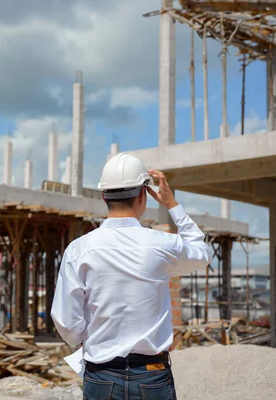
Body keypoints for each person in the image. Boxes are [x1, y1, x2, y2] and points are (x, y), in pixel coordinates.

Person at [51, 153, 213, 400]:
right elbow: (203, 252)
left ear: (104, 195)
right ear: (143, 195)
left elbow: (66, 320)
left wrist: (85, 338)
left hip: (101, 375)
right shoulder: (162, 245)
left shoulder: (79, 249)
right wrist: (172, 205)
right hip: (152, 375)